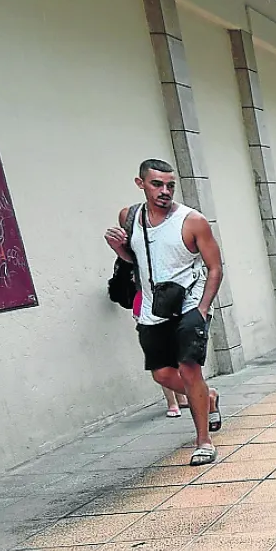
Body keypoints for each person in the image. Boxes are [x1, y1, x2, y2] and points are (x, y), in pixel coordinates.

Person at [105, 159, 224, 466]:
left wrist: (202, 309)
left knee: (189, 369)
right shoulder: (129, 217)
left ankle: (203, 441)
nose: (165, 191)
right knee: (162, 374)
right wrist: (118, 248)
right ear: (140, 183)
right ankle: (208, 397)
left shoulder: (193, 221)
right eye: (157, 184)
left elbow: (215, 267)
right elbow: (135, 260)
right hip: (153, 306)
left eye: (170, 185)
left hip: (189, 303)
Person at [134, 290, 188, 417]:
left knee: (175, 358)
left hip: (169, 304)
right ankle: (172, 402)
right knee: (162, 364)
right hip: (149, 311)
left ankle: (181, 398)